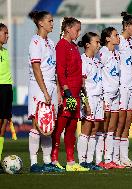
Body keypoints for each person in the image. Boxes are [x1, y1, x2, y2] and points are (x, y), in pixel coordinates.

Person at [27, 11, 63, 173]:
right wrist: (45, 92)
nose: (52, 23)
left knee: (49, 125)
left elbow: (53, 70)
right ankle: (34, 163)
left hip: (51, 86)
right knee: (37, 124)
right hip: (39, 87)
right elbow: (36, 69)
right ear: (40, 23)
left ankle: (47, 161)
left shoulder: (50, 42)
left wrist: (57, 91)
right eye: (49, 21)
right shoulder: (35, 42)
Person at [51, 17, 89, 171]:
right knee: (61, 125)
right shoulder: (61, 46)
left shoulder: (73, 46)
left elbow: (78, 73)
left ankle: (71, 162)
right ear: (68, 29)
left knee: (72, 126)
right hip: (68, 94)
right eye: (77, 30)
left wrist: (82, 94)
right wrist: (66, 92)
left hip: (76, 93)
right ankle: (53, 159)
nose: (78, 33)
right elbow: (60, 71)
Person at [76, 32, 104, 170]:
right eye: (97, 42)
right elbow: (81, 85)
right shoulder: (82, 60)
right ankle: (82, 161)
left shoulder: (97, 61)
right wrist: (86, 102)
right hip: (90, 98)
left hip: (99, 98)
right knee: (86, 129)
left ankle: (90, 160)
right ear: (88, 44)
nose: (99, 45)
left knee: (94, 130)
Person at [116, 12, 132, 167]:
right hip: (121, 87)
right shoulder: (118, 41)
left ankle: (124, 157)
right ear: (127, 26)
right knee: (119, 121)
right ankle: (114, 156)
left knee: (127, 122)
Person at [98, 27, 124, 169]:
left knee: (112, 127)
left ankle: (109, 159)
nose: (118, 37)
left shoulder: (117, 54)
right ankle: (98, 159)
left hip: (116, 94)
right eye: (115, 35)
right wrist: (101, 96)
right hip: (106, 94)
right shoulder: (102, 53)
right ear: (108, 38)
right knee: (103, 127)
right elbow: (98, 73)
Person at [0, 23, 13, 173]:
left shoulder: (5, 51)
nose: (7, 35)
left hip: (7, 87)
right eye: (5, 33)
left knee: (4, 122)